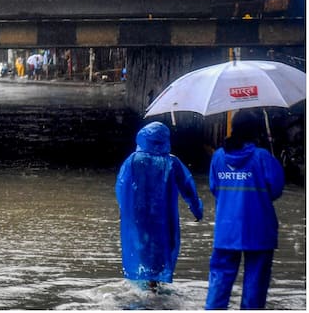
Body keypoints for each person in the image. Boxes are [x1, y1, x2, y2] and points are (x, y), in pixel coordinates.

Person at [205, 109, 284, 309]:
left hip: (226, 229)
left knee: (219, 280)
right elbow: (275, 190)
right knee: (255, 283)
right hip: (258, 228)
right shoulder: (263, 156)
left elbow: (215, 189)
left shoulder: (218, 157)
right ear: (255, 131)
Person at [115, 121, 203, 291]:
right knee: (161, 249)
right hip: (163, 217)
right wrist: (196, 209)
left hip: (139, 216)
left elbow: (121, 186)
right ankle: (154, 286)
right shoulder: (171, 162)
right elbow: (187, 187)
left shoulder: (133, 160)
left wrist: (124, 209)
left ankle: (146, 285)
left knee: (141, 246)